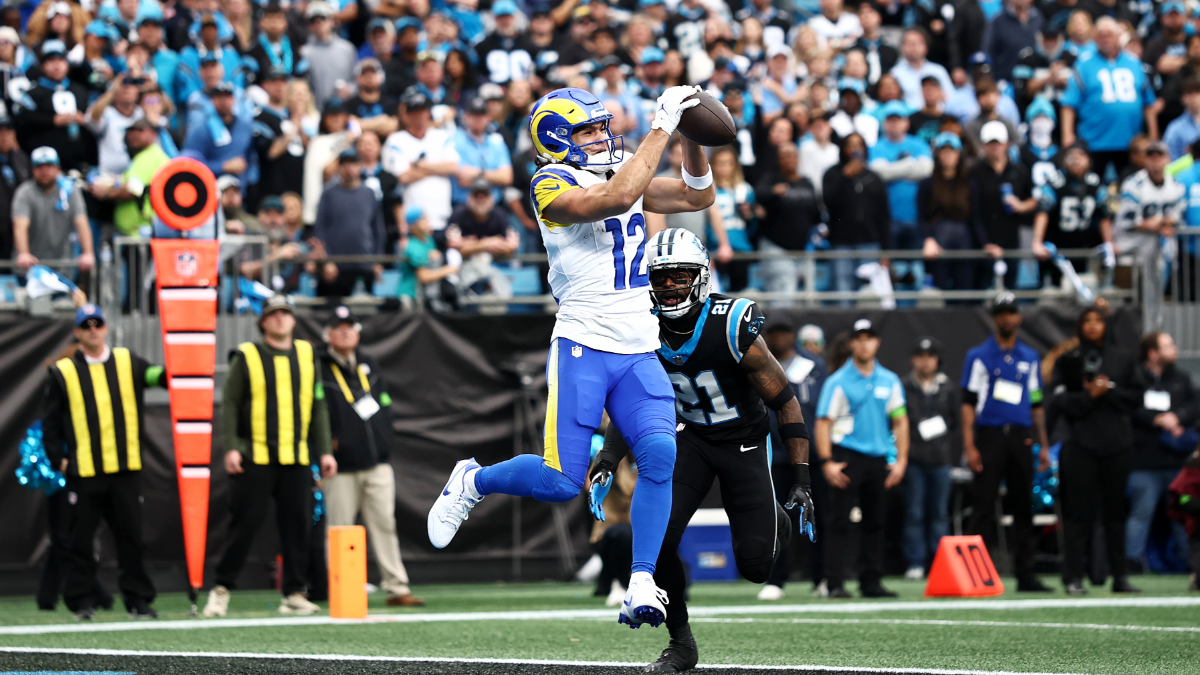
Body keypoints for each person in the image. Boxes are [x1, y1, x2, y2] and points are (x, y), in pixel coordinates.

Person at [427, 85, 713, 630]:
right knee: (562, 481)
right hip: (584, 342)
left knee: (660, 455)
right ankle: (473, 480)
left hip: (638, 344)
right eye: (587, 130)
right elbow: (614, 199)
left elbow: (696, 196)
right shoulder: (549, 182)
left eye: (602, 126)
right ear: (556, 140)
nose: (601, 137)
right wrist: (661, 126)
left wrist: (692, 136)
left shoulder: (622, 170)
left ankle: (642, 579)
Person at [589, 228, 814, 671]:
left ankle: (775, 519)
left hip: (743, 441)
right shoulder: (642, 326)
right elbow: (633, 400)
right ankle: (681, 644)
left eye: (680, 275)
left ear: (702, 277)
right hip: (689, 437)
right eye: (661, 276)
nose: (670, 285)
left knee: (755, 567)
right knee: (654, 540)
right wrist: (608, 458)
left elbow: (785, 401)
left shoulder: (730, 324)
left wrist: (803, 479)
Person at [203, 295, 337, 618]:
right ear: (263, 321)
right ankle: (221, 590)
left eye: (285, 314)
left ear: (293, 320)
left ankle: (294, 592)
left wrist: (324, 451)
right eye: (274, 314)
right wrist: (232, 446)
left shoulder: (307, 354)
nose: (280, 319)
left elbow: (317, 404)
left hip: (296, 457)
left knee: (298, 527)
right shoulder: (248, 355)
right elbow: (230, 402)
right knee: (244, 526)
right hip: (257, 456)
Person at [42, 304, 164, 620]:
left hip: (125, 469)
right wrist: (60, 461)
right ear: (77, 332)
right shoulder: (64, 372)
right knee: (80, 541)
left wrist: (176, 367)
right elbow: (50, 424)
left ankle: (138, 600)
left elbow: (157, 376)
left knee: (131, 538)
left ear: (106, 327)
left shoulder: (128, 361)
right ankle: (82, 602)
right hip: (85, 471)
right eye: (86, 325)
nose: (93, 330)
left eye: (98, 323)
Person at [319, 306, 423, 607]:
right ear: (328, 334)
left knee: (385, 525)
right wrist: (325, 450)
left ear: (358, 332)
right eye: (338, 328)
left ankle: (397, 587)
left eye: (350, 327)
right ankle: (340, 587)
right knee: (339, 528)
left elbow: (384, 406)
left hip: (377, 462)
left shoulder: (368, 363)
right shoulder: (319, 367)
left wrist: (384, 440)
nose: (345, 332)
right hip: (340, 466)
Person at [960, 293, 1051, 591]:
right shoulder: (978, 356)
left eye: (1011, 313)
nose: (1007, 318)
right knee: (983, 505)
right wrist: (970, 445)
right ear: (994, 318)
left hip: (1021, 435)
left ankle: (1026, 574)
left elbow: (1037, 403)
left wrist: (1043, 445)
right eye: (1001, 313)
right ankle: (976, 574)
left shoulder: (1030, 357)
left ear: (1019, 317)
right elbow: (968, 403)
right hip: (990, 435)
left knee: (1024, 504)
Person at [1051, 305, 1143, 594]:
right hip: (1080, 445)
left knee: (1116, 514)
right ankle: (1073, 577)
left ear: (1107, 325)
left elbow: (1136, 399)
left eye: (1098, 320)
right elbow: (1061, 402)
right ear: (1079, 326)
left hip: (1116, 445)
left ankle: (1120, 577)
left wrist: (1108, 391)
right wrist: (1090, 396)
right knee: (1077, 515)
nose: (1092, 325)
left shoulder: (1123, 358)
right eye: (1086, 320)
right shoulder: (1068, 360)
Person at [815, 319, 908, 598]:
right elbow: (823, 422)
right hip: (847, 457)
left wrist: (901, 460)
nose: (865, 344)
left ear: (877, 342)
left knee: (876, 522)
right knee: (839, 521)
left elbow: (900, 421)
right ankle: (834, 582)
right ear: (851, 344)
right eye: (859, 338)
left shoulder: (889, 380)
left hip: (878, 458)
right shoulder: (838, 381)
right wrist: (826, 461)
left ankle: (871, 581)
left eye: (869, 338)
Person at [761, 317, 828, 600]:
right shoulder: (759, 361)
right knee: (777, 519)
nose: (779, 339)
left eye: (784, 333)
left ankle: (821, 578)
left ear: (793, 336)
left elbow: (824, 410)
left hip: (810, 455)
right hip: (775, 454)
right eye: (773, 333)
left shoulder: (814, 365)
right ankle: (776, 579)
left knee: (817, 516)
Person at [1127, 331, 1194, 573]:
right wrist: (1155, 419)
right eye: (1168, 345)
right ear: (1153, 353)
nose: (1174, 349)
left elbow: (1195, 405)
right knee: (1140, 514)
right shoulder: (1134, 378)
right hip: (1144, 463)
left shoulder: (1181, 378)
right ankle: (1131, 562)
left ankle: (1191, 562)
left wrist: (1178, 417)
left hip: (1177, 464)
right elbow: (1128, 405)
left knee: (1183, 512)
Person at [1060, 17, 1158, 179]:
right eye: (1101, 35)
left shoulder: (1134, 63)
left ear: (1119, 36)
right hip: (1094, 140)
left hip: (1131, 141)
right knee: (1094, 185)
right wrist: (1067, 135)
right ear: (1094, 38)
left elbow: (1149, 102)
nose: (1106, 39)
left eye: (1110, 34)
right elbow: (1069, 103)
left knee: (1131, 184)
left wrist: (1153, 136)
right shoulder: (1083, 65)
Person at [902, 337, 959, 579]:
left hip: (940, 460)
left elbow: (955, 422)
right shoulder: (904, 386)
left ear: (937, 360)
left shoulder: (948, 388)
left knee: (939, 513)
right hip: (913, 459)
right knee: (914, 513)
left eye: (930, 357)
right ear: (913, 360)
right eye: (921, 357)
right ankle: (916, 561)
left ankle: (939, 561)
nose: (926, 362)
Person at [1031, 144, 1112, 288]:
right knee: (1054, 289)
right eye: (1072, 155)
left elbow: (1104, 216)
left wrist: (1109, 244)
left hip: (1082, 246)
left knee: (1081, 288)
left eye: (1081, 155)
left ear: (1089, 160)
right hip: (1055, 246)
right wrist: (1037, 242)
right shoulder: (1055, 181)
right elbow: (1043, 211)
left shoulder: (1095, 183)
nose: (1076, 159)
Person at [968, 121, 1037, 289]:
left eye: (998, 143)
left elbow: (1033, 199)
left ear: (1006, 144)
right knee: (982, 286)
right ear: (983, 146)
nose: (995, 148)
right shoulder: (974, 172)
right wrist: (985, 243)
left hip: (1011, 238)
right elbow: (973, 211)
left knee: (1011, 288)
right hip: (984, 239)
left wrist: (1021, 206)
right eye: (990, 144)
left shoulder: (1019, 171)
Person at [824, 133, 892, 299]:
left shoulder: (874, 178)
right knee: (843, 290)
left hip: (870, 241)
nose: (855, 149)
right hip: (841, 242)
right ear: (843, 149)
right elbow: (828, 202)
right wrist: (844, 177)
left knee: (869, 294)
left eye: (859, 145)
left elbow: (884, 216)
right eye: (850, 145)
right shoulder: (833, 174)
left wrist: (886, 250)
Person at [1114, 141, 1185, 299]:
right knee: (1135, 295)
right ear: (1145, 160)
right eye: (1151, 157)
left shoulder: (1176, 185)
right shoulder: (1133, 184)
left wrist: (1159, 223)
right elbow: (1127, 221)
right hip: (1133, 246)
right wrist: (1157, 224)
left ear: (1168, 159)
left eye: (1160, 156)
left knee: (1161, 293)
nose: (1156, 161)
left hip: (1162, 249)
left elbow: (1178, 218)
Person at [383, 89, 459, 233]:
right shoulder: (396, 140)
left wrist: (419, 165)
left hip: (443, 215)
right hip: (414, 222)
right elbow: (404, 176)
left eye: (422, 111)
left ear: (428, 113)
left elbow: (452, 167)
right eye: (414, 112)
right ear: (406, 115)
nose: (419, 116)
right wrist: (438, 169)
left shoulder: (442, 136)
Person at [312, 148, 386, 297]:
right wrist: (326, 262)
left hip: (364, 265)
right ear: (339, 168)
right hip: (335, 267)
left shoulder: (369, 194)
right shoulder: (328, 194)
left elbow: (378, 230)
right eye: (345, 164)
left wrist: (378, 261)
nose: (349, 168)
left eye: (353, 164)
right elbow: (320, 230)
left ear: (360, 167)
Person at [755, 143, 822, 306]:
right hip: (777, 247)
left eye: (792, 155)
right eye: (784, 156)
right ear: (778, 159)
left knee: (809, 299)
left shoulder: (807, 183)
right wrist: (773, 192)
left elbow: (816, 213)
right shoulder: (771, 179)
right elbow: (758, 195)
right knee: (783, 296)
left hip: (804, 250)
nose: (789, 159)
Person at [12, 147, 94, 275]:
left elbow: (81, 222)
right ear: (33, 170)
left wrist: (88, 253)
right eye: (39, 167)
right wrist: (23, 253)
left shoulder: (69, 191)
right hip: (29, 268)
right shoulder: (24, 193)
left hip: (62, 267)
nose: (44, 171)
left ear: (57, 168)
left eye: (49, 166)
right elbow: (20, 225)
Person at [14, 40, 90, 172]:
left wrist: (84, 119)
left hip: (78, 160)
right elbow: (22, 120)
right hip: (44, 165)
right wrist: (53, 120)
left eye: (60, 60)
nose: (57, 65)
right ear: (43, 66)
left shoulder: (79, 90)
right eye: (51, 61)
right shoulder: (32, 93)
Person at [869, 101, 933, 251]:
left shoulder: (919, 144)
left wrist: (892, 169)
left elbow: (927, 170)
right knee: (894, 263)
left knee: (916, 263)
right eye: (890, 120)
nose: (894, 124)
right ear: (884, 123)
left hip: (916, 217)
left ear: (906, 123)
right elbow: (879, 173)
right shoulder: (876, 147)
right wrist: (910, 164)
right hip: (888, 218)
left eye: (898, 119)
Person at [919, 132, 975, 292]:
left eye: (952, 151)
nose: (948, 155)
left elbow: (975, 218)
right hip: (938, 236)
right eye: (944, 151)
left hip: (964, 237)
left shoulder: (969, 183)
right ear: (937, 154)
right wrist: (928, 239)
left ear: (959, 154)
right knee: (939, 283)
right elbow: (922, 217)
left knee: (964, 284)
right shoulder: (927, 184)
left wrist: (985, 243)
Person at [100, 119, 170, 237]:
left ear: (153, 134)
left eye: (140, 130)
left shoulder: (149, 157)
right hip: (137, 232)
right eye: (131, 131)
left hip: (141, 233)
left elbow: (132, 189)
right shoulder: (145, 156)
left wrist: (105, 193)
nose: (134, 134)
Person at [183, 82, 253, 183]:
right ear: (212, 101)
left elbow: (251, 158)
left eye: (227, 97)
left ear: (234, 99)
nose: (223, 101)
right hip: (212, 186)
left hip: (239, 188)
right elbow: (190, 164)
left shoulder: (245, 128)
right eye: (219, 97)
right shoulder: (201, 130)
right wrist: (223, 167)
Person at [453, 97, 512, 205]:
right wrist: (493, 176)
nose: (478, 119)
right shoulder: (456, 140)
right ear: (465, 116)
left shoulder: (496, 141)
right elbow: (462, 178)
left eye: (482, 114)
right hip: (464, 204)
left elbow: (506, 177)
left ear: (488, 117)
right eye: (474, 114)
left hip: (493, 205)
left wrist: (478, 173)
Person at [397, 205, 458, 304]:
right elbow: (424, 276)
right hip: (411, 296)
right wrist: (447, 270)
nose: (427, 222)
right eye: (423, 220)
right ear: (413, 226)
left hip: (427, 294)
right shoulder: (411, 246)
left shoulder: (428, 240)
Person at [301, 1, 357, 108]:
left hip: (343, 110)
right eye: (313, 20)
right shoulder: (304, 53)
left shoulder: (347, 49)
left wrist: (351, 89)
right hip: (316, 111)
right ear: (309, 25)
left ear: (332, 21)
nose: (318, 23)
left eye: (323, 18)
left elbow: (356, 81)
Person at [890, 27, 955, 110]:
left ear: (926, 47)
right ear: (902, 47)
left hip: (937, 114)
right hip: (908, 116)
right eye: (909, 43)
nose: (913, 47)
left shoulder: (938, 71)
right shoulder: (895, 74)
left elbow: (951, 98)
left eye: (917, 43)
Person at [0, 115, 30, 260]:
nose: (4, 136)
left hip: (18, 226)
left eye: (8, 131)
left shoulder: (21, 158)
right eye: (1, 132)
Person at [1163, 78, 1200, 161]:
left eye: (1198, 92)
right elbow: (1169, 160)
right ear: (1182, 98)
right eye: (1190, 93)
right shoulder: (1175, 128)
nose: (1194, 97)